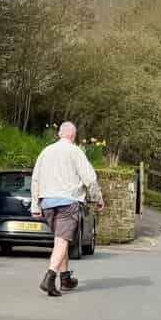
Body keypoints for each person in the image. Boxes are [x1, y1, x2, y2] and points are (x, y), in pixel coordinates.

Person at [29, 122, 104, 297]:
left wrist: (35, 205)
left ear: (59, 134)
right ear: (73, 136)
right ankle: (49, 278)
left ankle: (65, 279)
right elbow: (90, 179)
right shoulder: (75, 151)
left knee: (60, 241)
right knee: (62, 241)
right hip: (68, 203)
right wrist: (98, 199)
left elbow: (35, 179)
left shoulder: (45, 152)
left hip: (47, 203)